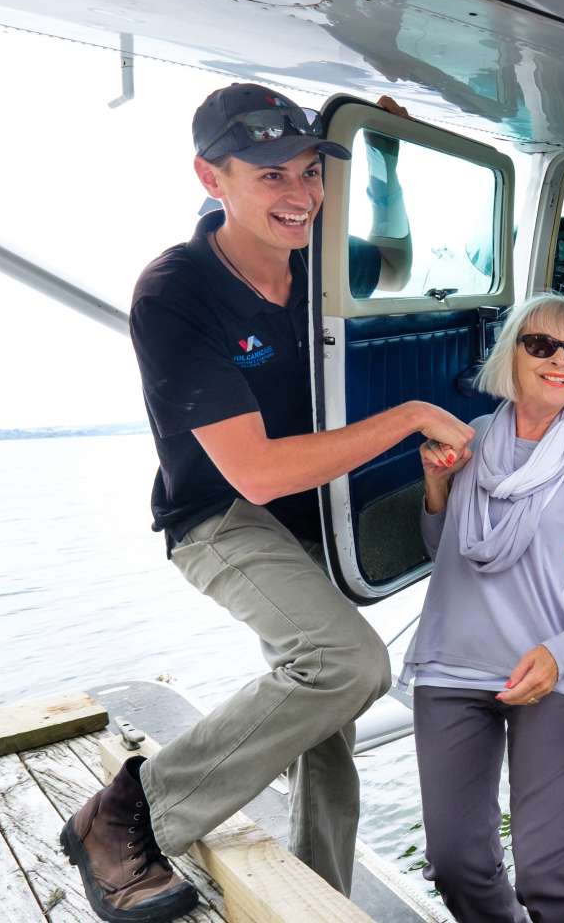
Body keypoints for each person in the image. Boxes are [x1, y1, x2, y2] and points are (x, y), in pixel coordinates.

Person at [60, 83, 476, 922]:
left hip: (313, 513)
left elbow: (391, 255)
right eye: (269, 178)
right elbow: (251, 474)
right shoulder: (176, 290)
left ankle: (319, 889)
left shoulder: (317, 257)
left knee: (326, 717)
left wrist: (383, 160)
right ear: (211, 180)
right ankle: (130, 813)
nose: (299, 198)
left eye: (308, 174)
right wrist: (406, 419)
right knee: (347, 666)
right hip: (216, 517)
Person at [403, 293, 564, 923]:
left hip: (549, 672)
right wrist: (435, 486)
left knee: (550, 874)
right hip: (453, 666)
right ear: (512, 351)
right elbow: (442, 550)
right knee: (455, 863)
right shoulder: (471, 440)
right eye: (541, 345)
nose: (560, 360)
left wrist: (559, 656)